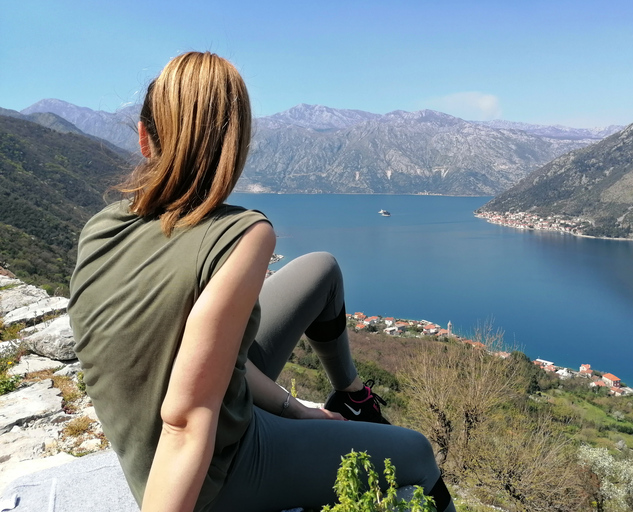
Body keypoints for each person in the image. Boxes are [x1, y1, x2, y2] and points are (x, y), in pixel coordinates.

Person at [68, 51, 454, 512]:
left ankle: (352, 396)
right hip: (210, 473)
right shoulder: (243, 234)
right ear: (238, 143)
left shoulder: (102, 226)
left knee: (321, 269)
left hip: (168, 425)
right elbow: (186, 422)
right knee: (417, 453)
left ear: (144, 137)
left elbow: (210, 357)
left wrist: (301, 411)